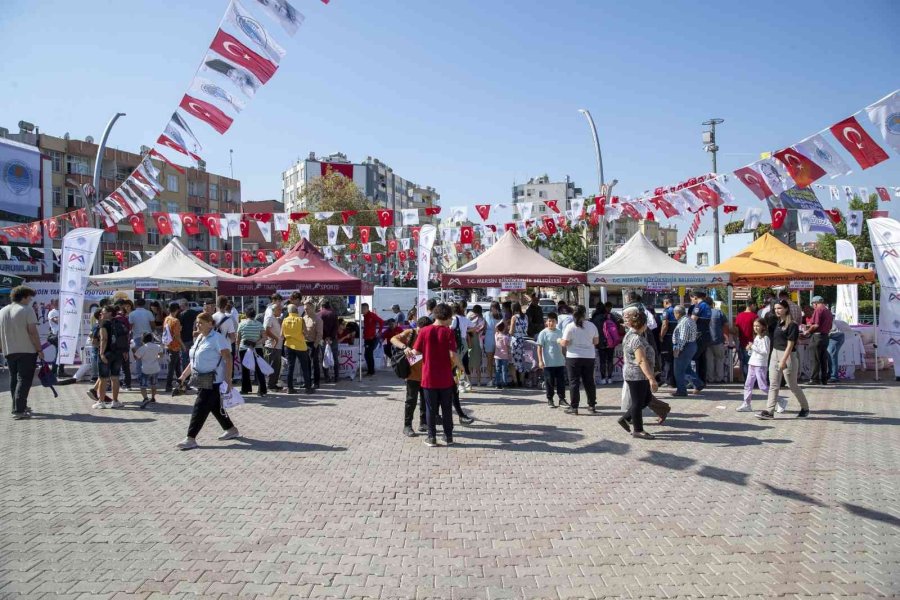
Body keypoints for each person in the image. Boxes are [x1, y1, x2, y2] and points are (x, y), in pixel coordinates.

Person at [175, 312, 239, 450]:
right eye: (197, 323)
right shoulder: (199, 338)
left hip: (213, 380)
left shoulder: (217, 338)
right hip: (201, 378)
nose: (198, 325)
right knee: (214, 406)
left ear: (210, 323)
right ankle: (230, 429)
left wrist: (228, 379)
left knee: (200, 406)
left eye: (201, 322)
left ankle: (190, 438)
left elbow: (228, 358)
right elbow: (194, 361)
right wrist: (183, 376)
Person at [412, 303, 464, 447]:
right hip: (446, 377)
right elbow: (453, 355)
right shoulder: (448, 332)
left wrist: (408, 351)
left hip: (429, 377)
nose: (451, 321)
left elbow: (416, 352)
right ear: (446, 317)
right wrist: (462, 368)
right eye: (450, 318)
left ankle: (431, 437)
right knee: (447, 408)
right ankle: (448, 437)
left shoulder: (424, 331)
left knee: (430, 408)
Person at [757, 300, 810, 420]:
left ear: (786, 309)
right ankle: (769, 411)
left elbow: (790, 345)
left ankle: (805, 408)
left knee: (792, 385)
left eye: (780, 308)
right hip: (775, 353)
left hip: (788, 356)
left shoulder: (792, 325)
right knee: (773, 385)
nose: (777, 311)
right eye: (775, 308)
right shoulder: (775, 322)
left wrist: (783, 361)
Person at [0, 286, 43, 419]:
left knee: (14, 379)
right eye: (29, 297)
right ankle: (18, 410)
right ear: (23, 297)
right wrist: (39, 349)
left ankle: (18, 406)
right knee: (24, 380)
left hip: (9, 350)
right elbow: (32, 332)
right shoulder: (27, 310)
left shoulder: (2, 311)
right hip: (27, 350)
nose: (30, 300)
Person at [617, 309, 661, 440]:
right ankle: (638, 429)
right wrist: (651, 378)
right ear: (644, 325)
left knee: (646, 399)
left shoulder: (632, 335)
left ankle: (625, 418)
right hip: (637, 374)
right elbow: (641, 360)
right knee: (637, 402)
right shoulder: (636, 339)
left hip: (637, 374)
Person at [391, 317, 430, 436]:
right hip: (412, 375)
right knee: (411, 400)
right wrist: (404, 347)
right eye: (419, 331)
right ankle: (407, 426)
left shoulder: (429, 335)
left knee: (426, 400)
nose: (421, 333)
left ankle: (423, 423)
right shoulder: (410, 333)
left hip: (426, 374)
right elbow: (393, 339)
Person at [560, 305, 599, 415]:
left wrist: (559, 341)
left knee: (574, 382)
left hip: (573, 357)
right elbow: (596, 342)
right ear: (585, 314)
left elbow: (565, 343)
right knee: (589, 382)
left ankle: (574, 407)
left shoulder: (570, 326)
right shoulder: (592, 326)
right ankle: (592, 405)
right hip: (589, 356)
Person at [96, 305, 126, 409]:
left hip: (107, 353)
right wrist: (124, 352)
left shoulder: (104, 324)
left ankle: (101, 401)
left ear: (109, 313)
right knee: (115, 378)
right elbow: (124, 338)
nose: (101, 313)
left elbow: (103, 339)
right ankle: (115, 401)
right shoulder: (119, 323)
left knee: (103, 378)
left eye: (103, 312)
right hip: (118, 354)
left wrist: (101, 353)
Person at [671, 305, 704, 397]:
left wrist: (678, 349)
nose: (674, 315)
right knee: (686, 368)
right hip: (691, 345)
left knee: (678, 370)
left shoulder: (684, 322)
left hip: (685, 347)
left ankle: (681, 390)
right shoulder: (689, 320)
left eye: (674, 313)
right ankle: (698, 383)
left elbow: (683, 338)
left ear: (677, 313)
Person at [738, 319, 770, 412]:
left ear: (763, 327)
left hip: (760, 364)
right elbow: (754, 352)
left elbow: (765, 352)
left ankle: (778, 399)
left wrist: (753, 347)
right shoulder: (756, 337)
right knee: (748, 384)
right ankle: (746, 404)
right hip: (752, 363)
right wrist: (749, 349)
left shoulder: (765, 338)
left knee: (762, 386)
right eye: (754, 326)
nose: (755, 328)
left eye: (758, 326)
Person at [537, 312, 566, 408]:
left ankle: (562, 399)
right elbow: (539, 348)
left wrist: (565, 357)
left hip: (560, 362)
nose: (551, 323)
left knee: (561, 382)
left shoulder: (560, 332)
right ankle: (550, 399)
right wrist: (540, 361)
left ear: (556, 322)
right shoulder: (543, 333)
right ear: (546, 322)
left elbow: (564, 345)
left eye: (553, 321)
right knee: (549, 382)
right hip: (548, 363)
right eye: (549, 321)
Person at [282, 304, 312, 394]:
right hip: (300, 346)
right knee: (305, 367)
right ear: (296, 311)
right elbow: (306, 333)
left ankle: (289, 388)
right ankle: (308, 388)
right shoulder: (300, 319)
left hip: (288, 345)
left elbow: (281, 335)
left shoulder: (284, 320)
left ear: (289, 311)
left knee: (290, 368)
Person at [803, 295, 833, 386]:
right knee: (823, 359)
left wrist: (807, 332)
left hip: (817, 336)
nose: (813, 306)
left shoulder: (818, 310)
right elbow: (830, 326)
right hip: (825, 336)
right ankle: (824, 379)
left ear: (815, 303)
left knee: (815, 358)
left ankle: (814, 379)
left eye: (813, 304)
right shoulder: (828, 311)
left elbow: (816, 325)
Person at [238, 308, 267, 397]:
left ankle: (245, 389)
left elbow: (238, 339)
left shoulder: (241, 324)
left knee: (245, 369)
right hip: (257, 348)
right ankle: (262, 390)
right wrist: (255, 343)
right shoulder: (259, 324)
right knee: (259, 369)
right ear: (255, 315)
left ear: (246, 315)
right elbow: (264, 337)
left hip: (244, 349)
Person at [133, 332, 162, 409]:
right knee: (154, 385)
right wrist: (156, 357)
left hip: (145, 369)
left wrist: (133, 349)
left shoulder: (142, 348)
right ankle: (153, 398)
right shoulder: (157, 346)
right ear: (152, 338)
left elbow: (136, 357)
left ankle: (145, 398)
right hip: (155, 368)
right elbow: (161, 355)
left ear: (143, 340)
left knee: (143, 386)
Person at [591, 302, 617, 385]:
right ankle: (609, 378)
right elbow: (617, 326)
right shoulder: (610, 316)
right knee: (610, 360)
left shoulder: (594, 318)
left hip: (600, 342)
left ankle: (602, 379)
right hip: (610, 341)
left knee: (602, 361)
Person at [688, 290, 712, 385]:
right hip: (706, 334)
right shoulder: (707, 306)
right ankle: (702, 380)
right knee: (702, 358)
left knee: (693, 358)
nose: (692, 301)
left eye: (691, 298)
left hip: (699, 335)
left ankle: (695, 382)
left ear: (695, 297)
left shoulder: (699, 306)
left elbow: (692, 321)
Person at [705, 299, 730, 383]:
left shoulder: (702, 313)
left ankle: (710, 378)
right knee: (719, 359)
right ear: (713, 304)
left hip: (707, 341)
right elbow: (726, 325)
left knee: (709, 360)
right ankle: (719, 378)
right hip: (718, 340)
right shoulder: (719, 312)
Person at [734, 302, 758, 380]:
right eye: (755, 305)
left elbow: (736, 330)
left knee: (744, 363)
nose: (755, 307)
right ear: (751, 305)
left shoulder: (739, 316)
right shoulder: (755, 316)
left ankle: (746, 380)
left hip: (742, 342)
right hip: (752, 343)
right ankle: (751, 381)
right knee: (752, 363)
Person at [657, 297, 678, 387]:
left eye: (663, 303)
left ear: (666, 302)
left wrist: (661, 336)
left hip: (668, 338)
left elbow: (665, 325)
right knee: (673, 360)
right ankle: (673, 380)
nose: (663, 304)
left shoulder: (667, 311)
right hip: (676, 338)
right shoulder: (676, 310)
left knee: (666, 360)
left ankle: (668, 381)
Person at [162, 303, 183, 394]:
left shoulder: (166, 319)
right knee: (172, 367)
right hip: (175, 346)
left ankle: (181, 385)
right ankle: (168, 386)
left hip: (168, 345)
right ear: (177, 310)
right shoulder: (176, 321)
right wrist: (183, 345)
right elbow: (177, 336)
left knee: (177, 367)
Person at [263, 303, 284, 391]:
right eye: (279, 309)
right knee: (271, 365)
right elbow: (266, 331)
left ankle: (273, 384)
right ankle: (269, 384)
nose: (281, 311)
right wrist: (275, 338)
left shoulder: (276, 318)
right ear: (274, 310)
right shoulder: (270, 317)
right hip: (271, 346)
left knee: (277, 366)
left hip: (277, 346)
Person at [303, 301, 323, 388]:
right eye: (305, 309)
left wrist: (315, 345)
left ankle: (316, 382)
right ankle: (307, 382)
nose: (305, 310)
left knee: (314, 364)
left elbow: (320, 334)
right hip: (304, 343)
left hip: (313, 344)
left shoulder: (318, 319)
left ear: (312, 308)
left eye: (307, 309)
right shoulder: (304, 318)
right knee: (305, 364)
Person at [361, 303, 384, 376]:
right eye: (361, 309)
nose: (362, 310)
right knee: (367, 355)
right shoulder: (365, 316)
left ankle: (371, 371)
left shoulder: (371, 315)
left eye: (364, 309)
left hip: (371, 338)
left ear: (367, 309)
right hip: (367, 338)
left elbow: (381, 321)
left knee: (368, 354)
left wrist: (379, 331)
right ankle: (370, 371)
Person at [319, 301, 339, 383]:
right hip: (333, 339)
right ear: (329, 306)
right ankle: (336, 377)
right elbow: (336, 327)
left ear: (322, 306)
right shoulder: (334, 314)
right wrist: (330, 337)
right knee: (335, 358)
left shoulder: (319, 314)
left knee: (325, 358)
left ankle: (326, 377)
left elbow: (319, 328)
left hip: (323, 340)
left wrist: (325, 337)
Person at [509, 302, 529, 387]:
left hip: (516, 341)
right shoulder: (525, 316)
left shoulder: (514, 317)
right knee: (523, 361)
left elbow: (511, 331)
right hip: (524, 340)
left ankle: (515, 381)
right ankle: (521, 381)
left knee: (513, 362)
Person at [465, 305, 485, 386]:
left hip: (469, 341)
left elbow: (466, 328)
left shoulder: (468, 317)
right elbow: (479, 330)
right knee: (477, 365)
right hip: (477, 342)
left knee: (469, 364)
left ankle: (468, 382)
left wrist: (469, 330)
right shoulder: (481, 320)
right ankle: (479, 382)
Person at [176, 298, 199, 367]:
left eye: (180, 306)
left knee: (184, 358)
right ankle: (193, 372)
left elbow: (179, 328)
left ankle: (185, 375)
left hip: (184, 339)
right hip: (194, 338)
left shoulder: (181, 315)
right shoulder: (195, 313)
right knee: (194, 357)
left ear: (183, 306)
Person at [482, 302, 501, 384]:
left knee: (497, 361)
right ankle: (490, 379)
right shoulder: (486, 314)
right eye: (492, 307)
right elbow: (482, 324)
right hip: (490, 338)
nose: (493, 309)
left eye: (494, 307)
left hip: (497, 338)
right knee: (490, 360)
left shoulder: (500, 316)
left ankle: (496, 379)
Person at [46, 299, 64, 377]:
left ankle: (60, 371)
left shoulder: (62, 311)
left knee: (62, 354)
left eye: (58, 302)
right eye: (56, 303)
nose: (57, 304)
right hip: (56, 335)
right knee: (59, 355)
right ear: (53, 304)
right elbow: (57, 321)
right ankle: (54, 371)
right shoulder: (52, 312)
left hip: (63, 335)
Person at [493, 321, 511, 388]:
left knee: (497, 370)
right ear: (504, 329)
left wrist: (500, 321)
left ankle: (498, 384)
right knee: (504, 370)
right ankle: (504, 384)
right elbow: (508, 345)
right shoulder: (506, 337)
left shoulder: (496, 335)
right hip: (504, 356)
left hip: (497, 356)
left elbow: (495, 328)